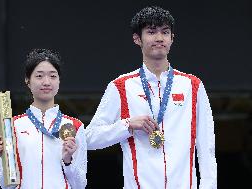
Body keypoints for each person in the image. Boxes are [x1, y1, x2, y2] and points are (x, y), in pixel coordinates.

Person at [85, 6, 216, 189]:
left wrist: (209, 186)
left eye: (165, 32)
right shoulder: (121, 86)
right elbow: (89, 139)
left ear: (172, 38)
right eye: (152, 32)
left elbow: (207, 145)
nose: (159, 38)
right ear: (137, 38)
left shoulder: (192, 86)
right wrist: (127, 125)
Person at [0, 49, 87, 189]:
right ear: (27, 80)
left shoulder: (75, 126)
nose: (46, 82)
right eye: (39, 76)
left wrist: (68, 161)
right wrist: (4, 158)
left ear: (59, 80)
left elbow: (80, 185)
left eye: (53, 76)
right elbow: (5, 185)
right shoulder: (12, 126)